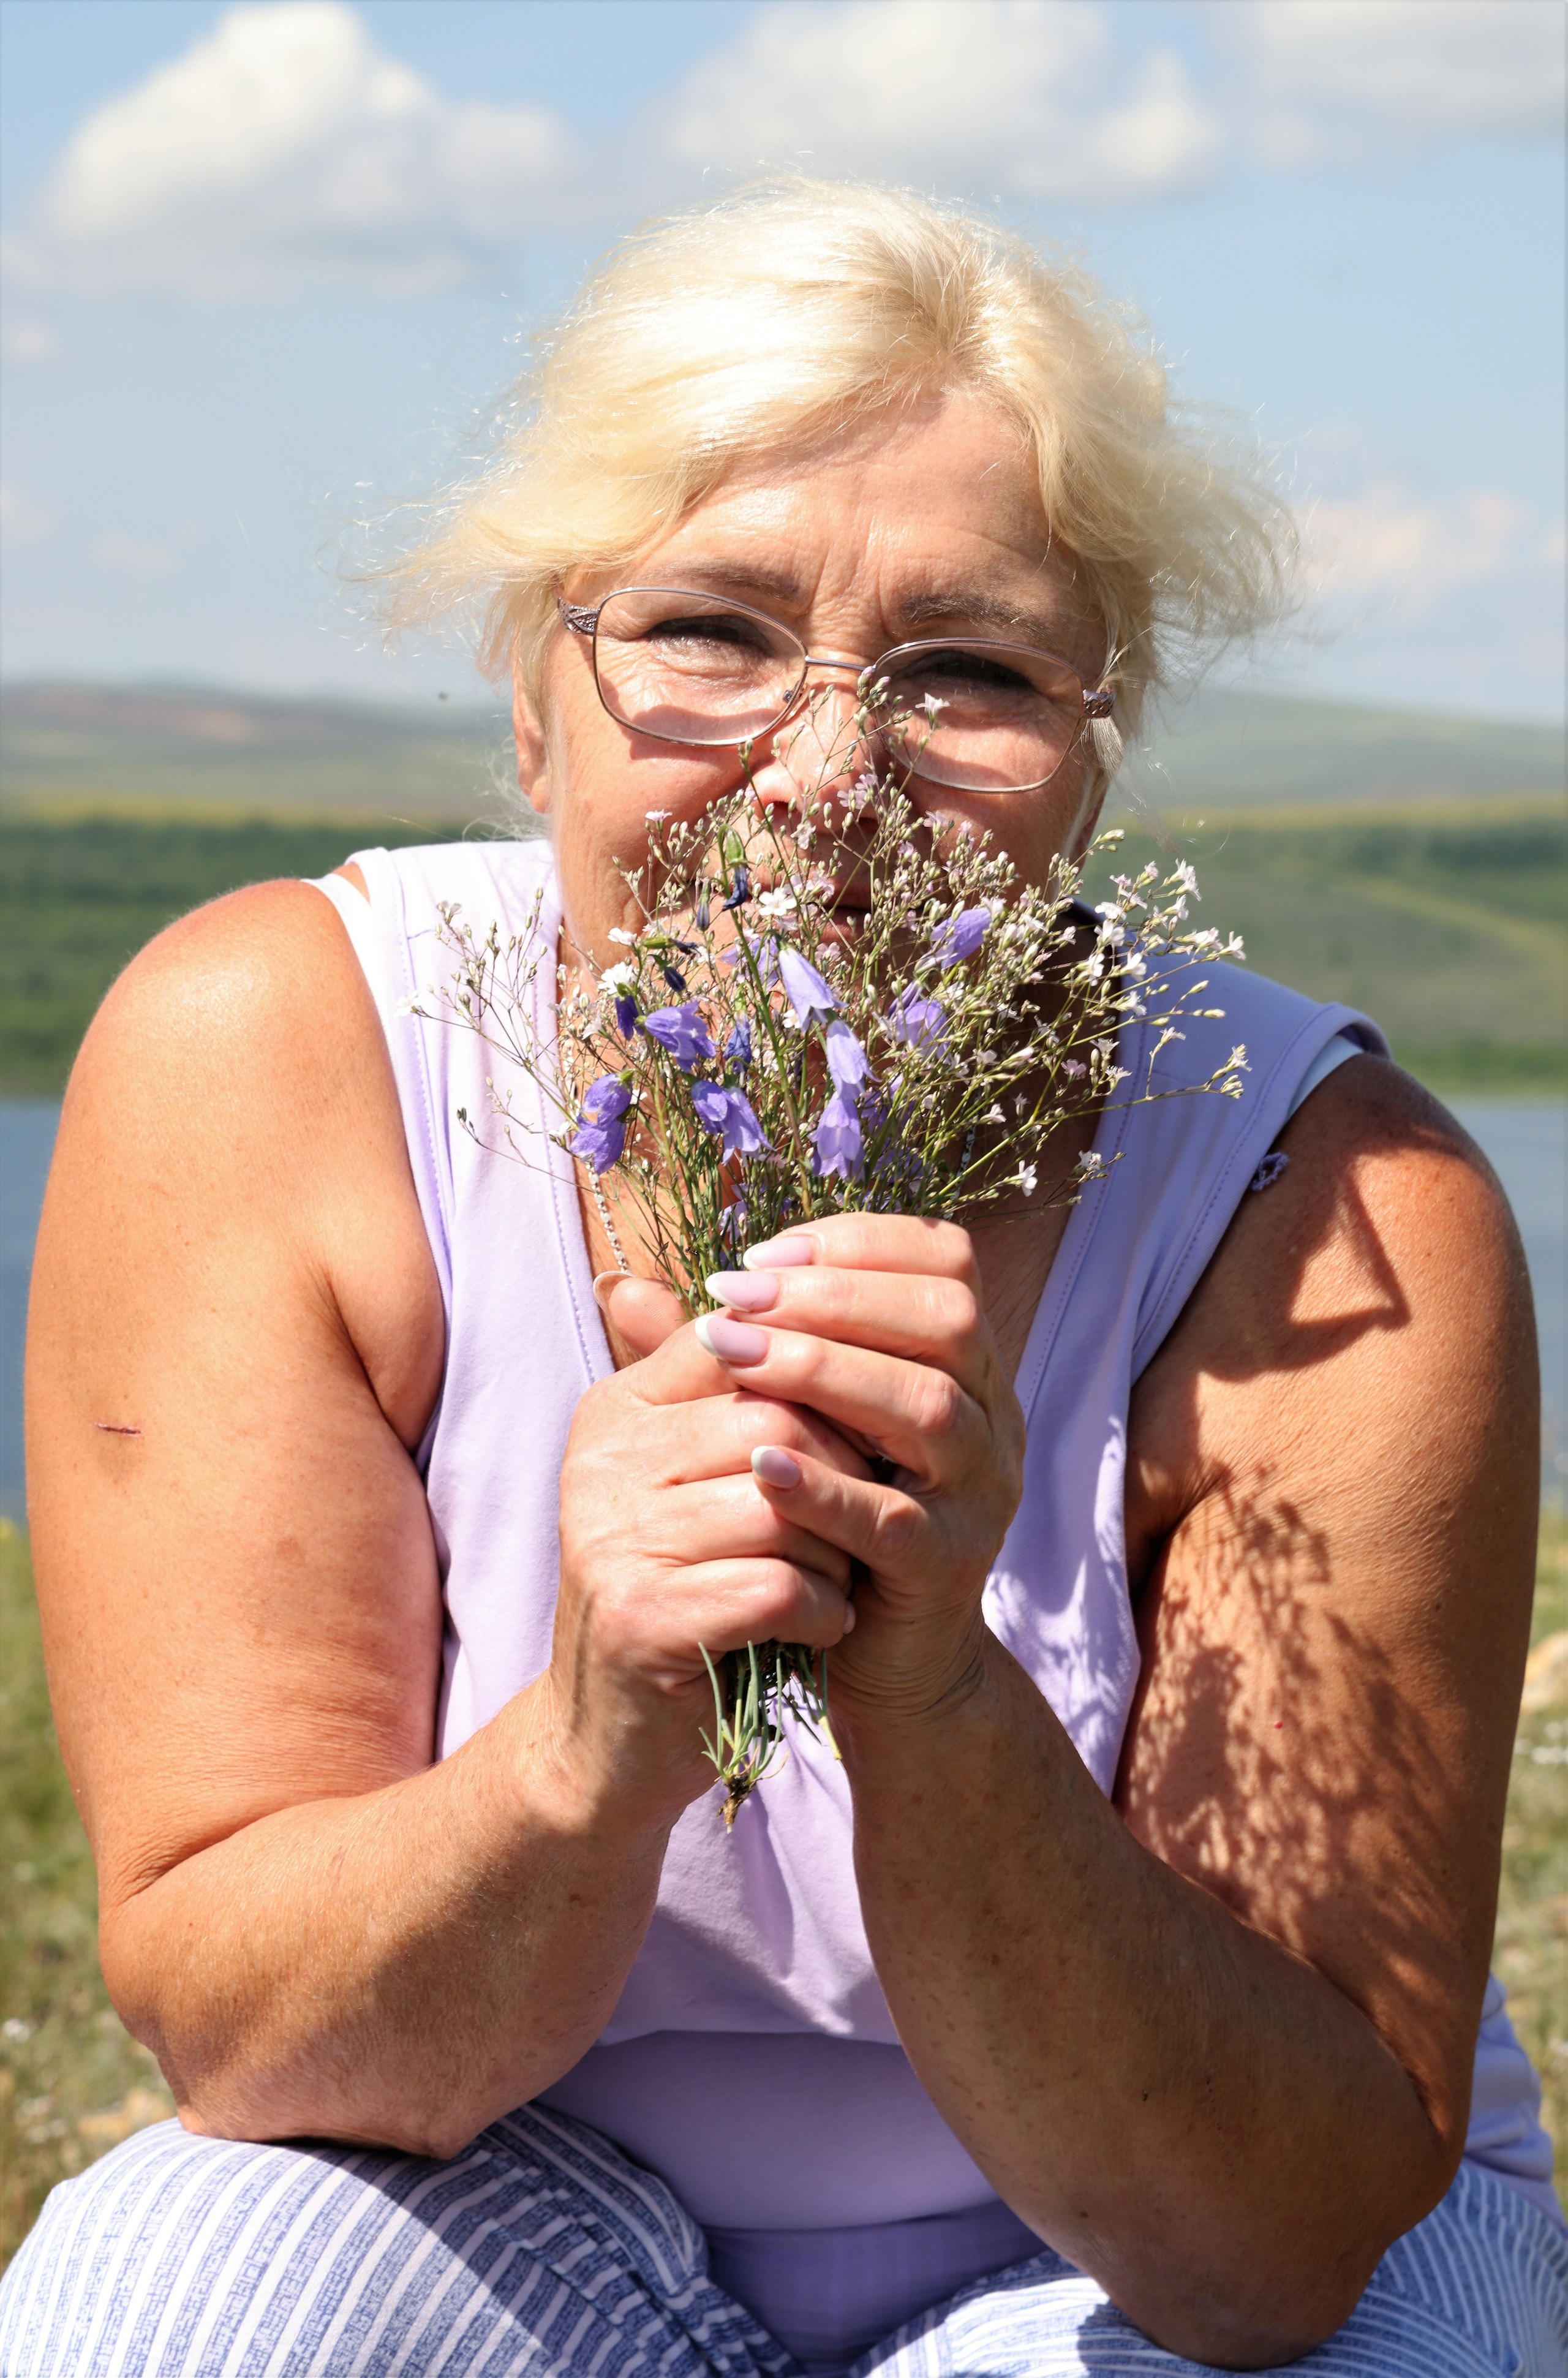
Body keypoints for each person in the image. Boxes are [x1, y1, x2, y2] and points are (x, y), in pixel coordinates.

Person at [2, 179, 1562, 2378]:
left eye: (971, 670)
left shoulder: (1339, 1220)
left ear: (1095, 768)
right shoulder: (275, 1060)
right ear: (533, 699)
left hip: (1150, 2236)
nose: (830, 777)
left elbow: (1266, 2251)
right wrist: (588, 1739)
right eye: (709, 632)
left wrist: (933, 1696)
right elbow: (249, 2034)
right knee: (156, 2315)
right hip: (493, 2182)